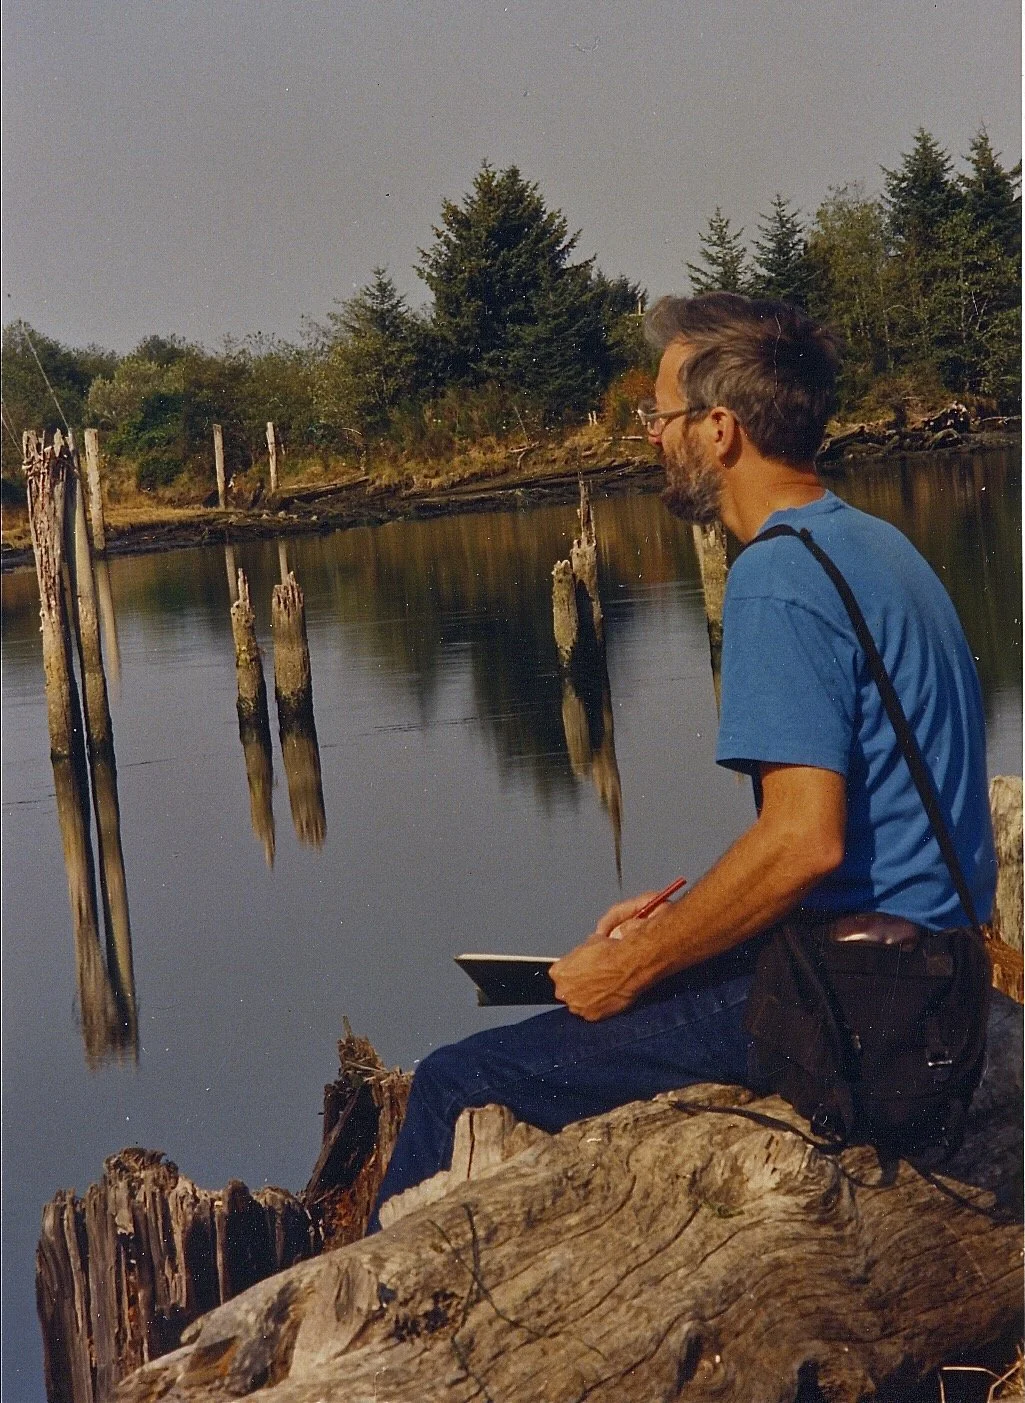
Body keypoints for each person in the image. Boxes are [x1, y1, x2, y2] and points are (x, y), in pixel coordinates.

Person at [367, 292, 996, 1232]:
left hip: (865, 1022)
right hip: (931, 993)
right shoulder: (873, 544)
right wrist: (669, 949)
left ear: (720, 427)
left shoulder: (777, 576)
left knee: (459, 1083)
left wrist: (638, 967)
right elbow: (865, 855)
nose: (651, 438)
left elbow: (802, 845)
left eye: (657, 417)